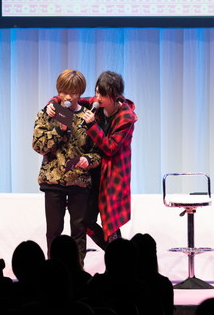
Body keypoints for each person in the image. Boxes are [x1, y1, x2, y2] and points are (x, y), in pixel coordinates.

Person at [48, 70, 137, 249]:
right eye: (97, 92)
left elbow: (111, 148)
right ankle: (116, 254)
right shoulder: (96, 104)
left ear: (115, 96)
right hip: (94, 171)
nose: (98, 98)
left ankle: (120, 258)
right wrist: (53, 103)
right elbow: (73, 98)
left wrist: (92, 125)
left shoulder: (126, 117)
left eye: (103, 94)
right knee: (86, 220)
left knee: (110, 223)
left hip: (113, 175)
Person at [32, 69, 101, 261]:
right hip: (53, 182)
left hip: (80, 182)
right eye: (63, 92)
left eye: (73, 92)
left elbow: (98, 152)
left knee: (79, 231)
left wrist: (89, 160)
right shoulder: (48, 113)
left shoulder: (88, 117)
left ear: (80, 93)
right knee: (54, 231)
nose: (68, 97)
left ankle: (77, 271)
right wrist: (59, 130)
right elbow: (38, 146)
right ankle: (53, 271)